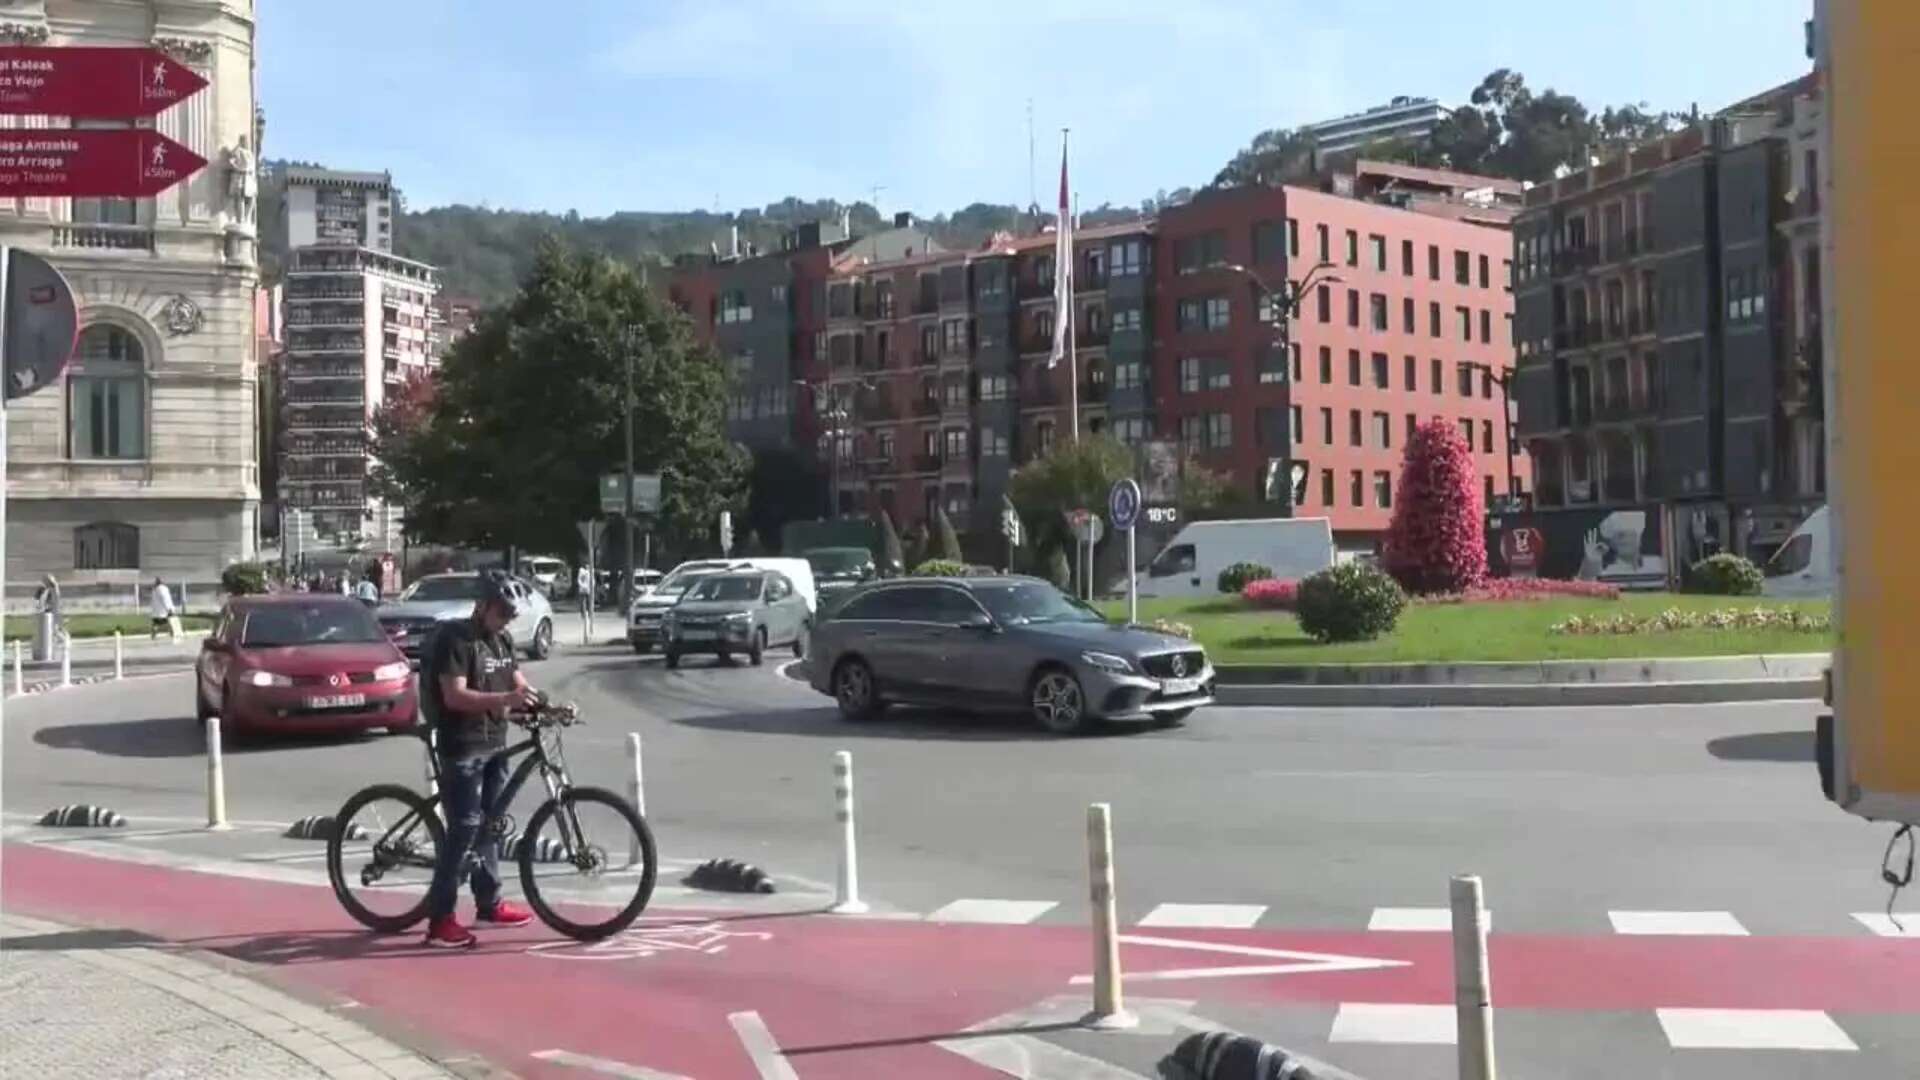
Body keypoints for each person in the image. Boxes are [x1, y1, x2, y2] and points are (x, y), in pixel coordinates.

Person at [419, 571, 540, 948]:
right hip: (462, 744)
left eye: (511, 615)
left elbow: (518, 684)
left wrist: (546, 705)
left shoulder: (501, 641)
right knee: (465, 828)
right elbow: (454, 696)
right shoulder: (455, 640)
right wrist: (505, 702)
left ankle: (489, 903)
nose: (506, 620)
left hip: (495, 742)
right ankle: (440, 921)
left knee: (491, 824)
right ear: (482, 605)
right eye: (501, 612)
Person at [148, 577, 176, 642]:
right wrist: (169, 609)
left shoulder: (155, 590)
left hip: (156, 611)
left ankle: (153, 637)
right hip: (163, 611)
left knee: (155, 623)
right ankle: (173, 635)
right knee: (169, 623)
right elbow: (166, 599)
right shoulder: (163, 589)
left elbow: (153, 601)